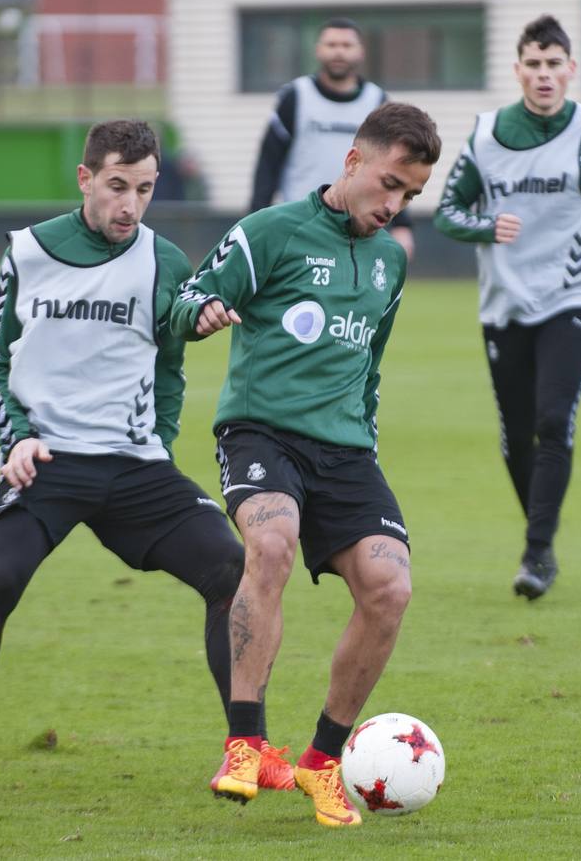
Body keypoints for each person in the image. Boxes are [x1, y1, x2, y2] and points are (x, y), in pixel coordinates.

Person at [0, 120, 247, 801]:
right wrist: (15, 438)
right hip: (46, 460)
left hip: (135, 466)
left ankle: (245, 750)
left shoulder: (165, 259)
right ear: (85, 179)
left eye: (144, 189)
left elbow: (171, 356)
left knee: (229, 568)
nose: (129, 205)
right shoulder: (28, 252)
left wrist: (162, 435)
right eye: (117, 186)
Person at [171, 102, 441, 827]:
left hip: (346, 449)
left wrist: (366, 442)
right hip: (262, 434)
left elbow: (371, 367)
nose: (393, 206)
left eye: (410, 196)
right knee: (270, 541)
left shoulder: (389, 261)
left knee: (390, 589)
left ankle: (324, 763)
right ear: (352, 161)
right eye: (388, 184)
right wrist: (199, 316)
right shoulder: (270, 232)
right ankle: (246, 742)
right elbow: (192, 295)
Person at [433, 15, 581, 600]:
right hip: (505, 301)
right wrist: (488, 228)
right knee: (517, 434)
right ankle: (539, 533)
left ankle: (537, 552)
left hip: (574, 292)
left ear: (570, 69)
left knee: (552, 420)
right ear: (518, 71)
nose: (544, 75)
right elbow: (447, 212)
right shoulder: (487, 135)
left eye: (553, 64)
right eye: (533, 65)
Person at [249, 17, 415, 259]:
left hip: (361, 226)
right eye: (331, 44)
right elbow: (268, 164)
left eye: (347, 46)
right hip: (302, 224)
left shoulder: (376, 101)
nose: (339, 52)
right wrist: (255, 220)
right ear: (318, 50)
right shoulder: (295, 97)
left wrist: (403, 226)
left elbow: (395, 169)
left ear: (360, 52)